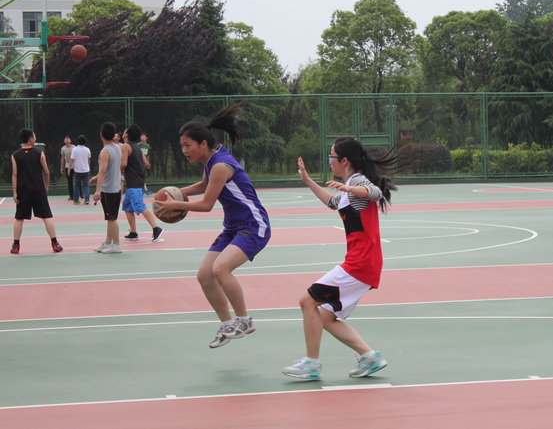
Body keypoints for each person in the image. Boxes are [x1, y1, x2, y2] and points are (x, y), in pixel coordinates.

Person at [282, 137, 399, 380]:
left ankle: (311, 364)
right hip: (364, 262)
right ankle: (370, 357)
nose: (329, 161)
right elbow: (332, 202)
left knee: (307, 301)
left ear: (344, 160)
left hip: (360, 263)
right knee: (325, 316)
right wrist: (307, 180)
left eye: (332, 157)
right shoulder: (349, 188)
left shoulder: (356, 181)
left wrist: (350, 188)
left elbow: (375, 192)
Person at [155, 103, 271, 349]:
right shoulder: (211, 160)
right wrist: (173, 193)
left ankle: (244, 320)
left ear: (203, 144)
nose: (184, 151)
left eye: (187, 145)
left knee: (221, 269)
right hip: (233, 227)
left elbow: (207, 204)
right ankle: (227, 324)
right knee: (205, 275)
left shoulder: (220, 165)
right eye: (182, 146)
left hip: (254, 224)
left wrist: (176, 203)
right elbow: (203, 186)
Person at [11, 128, 63, 254]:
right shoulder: (39, 153)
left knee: (19, 218)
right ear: (30, 139)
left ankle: (16, 245)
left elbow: (15, 174)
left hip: (23, 190)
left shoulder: (15, 155)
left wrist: (15, 192)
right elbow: (46, 172)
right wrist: (46, 186)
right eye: (34, 136)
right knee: (47, 216)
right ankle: (55, 243)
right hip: (38, 189)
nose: (35, 138)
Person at [120, 124, 163, 242]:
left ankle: (156, 228)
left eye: (125, 131)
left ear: (126, 134)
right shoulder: (137, 147)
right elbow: (145, 163)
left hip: (134, 181)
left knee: (139, 205)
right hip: (136, 180)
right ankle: (133, 233)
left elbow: (123, 164)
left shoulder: (125, 146)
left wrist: (118, 171)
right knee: (127, 207)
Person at [90, 122, 123, 254]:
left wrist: (98, 190)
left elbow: (103, 171)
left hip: (108, 189)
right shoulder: (117, 148)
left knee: (112, 218)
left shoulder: (105, 152)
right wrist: (96, 177)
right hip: (115, 187)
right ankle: (108, 242)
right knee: (109, 217)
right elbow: (109, 169)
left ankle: (117, 245)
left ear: (101, 135)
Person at [69, 135, 91, 205]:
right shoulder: (87, 149)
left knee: (77, 185)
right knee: (86, 185)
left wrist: (69, 168)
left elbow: (72, 159)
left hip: (77, 170)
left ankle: (76, 200)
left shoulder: (74, 149)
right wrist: (87, 165)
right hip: (86, 170)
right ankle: (87, 199)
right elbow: (88, 159)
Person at [59, 135, 75, 200]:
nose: (67, 140)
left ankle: (81, 194)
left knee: (77, 181)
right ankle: (71, 196)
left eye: (68, 139)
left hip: (75, 166)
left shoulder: (74, 148)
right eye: (65, 139)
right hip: (67, 166)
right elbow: (62, 158)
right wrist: (61, 168)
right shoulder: (63, 149)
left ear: (70, 140)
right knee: (70, 181)